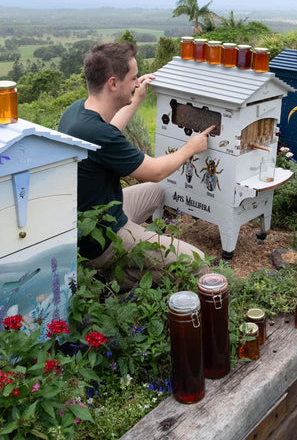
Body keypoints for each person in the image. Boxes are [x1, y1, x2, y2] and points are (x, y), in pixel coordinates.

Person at [58, 41, 213, 290]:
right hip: (102, 239)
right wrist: (190, 148)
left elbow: (109, 131)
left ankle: (127, 258)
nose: (137, 83)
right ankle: (107, 277)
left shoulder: (77, 111)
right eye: (133, 78)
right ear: (113, 83)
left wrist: (136, 100)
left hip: (101, 213)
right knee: (198, 262)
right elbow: (156, 171)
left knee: (157, 193)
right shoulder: (98, 133)